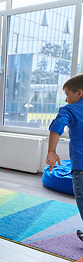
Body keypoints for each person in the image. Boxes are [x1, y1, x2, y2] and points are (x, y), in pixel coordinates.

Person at [46, 74, 83, 243]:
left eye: (67, 94)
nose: (66, 99)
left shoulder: (69, 110)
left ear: (79, 93)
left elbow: (57, 127)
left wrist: (51, 151)